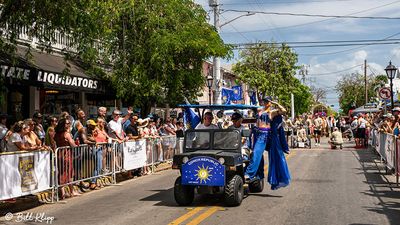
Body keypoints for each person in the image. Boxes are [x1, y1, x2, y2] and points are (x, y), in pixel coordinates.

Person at [245, 96, 290, 190]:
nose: (265, 102)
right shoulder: (259, 110)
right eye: (264, 101)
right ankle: (258, 175)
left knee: (263, 154)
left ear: (270, 102)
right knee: (256, 155)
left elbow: (284, 111)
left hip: (265, 135)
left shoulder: (272, 112)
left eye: (267, 101)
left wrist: (276, 103)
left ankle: (249, 174)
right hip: (257, 134)